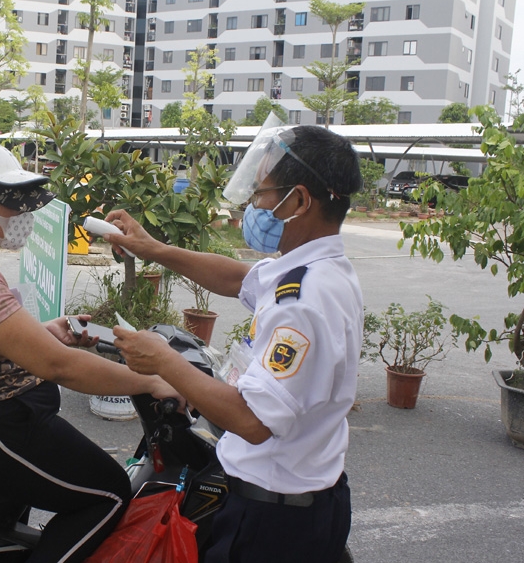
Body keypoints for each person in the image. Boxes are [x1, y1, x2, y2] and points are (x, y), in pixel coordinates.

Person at [0, 141, 181, 563]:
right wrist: (155, 380)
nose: (22, 216)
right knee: (108, 493)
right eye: (10, 203)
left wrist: (45, 332)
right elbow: (59, 367)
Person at [103, 124, 363, 563]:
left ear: (299, 201)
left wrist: (163, 361)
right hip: (296, 499)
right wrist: (154, 249)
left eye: (262, 193)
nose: (253, 206)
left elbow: (252, 421)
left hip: (273, 522)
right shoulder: (313, 269)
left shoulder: (304, 301)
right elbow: (238, 277)